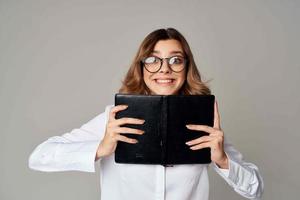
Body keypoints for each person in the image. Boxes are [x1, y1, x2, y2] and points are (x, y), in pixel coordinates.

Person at [28, 28, 264, 200]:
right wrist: (101, 148)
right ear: (141, 68)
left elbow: (255, 189)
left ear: (187, 67)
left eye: (176, 60)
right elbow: (39, 157)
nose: (164, 68)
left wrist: (222, 160)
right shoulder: (116, 118)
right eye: (153, 59)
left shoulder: (203, 121)